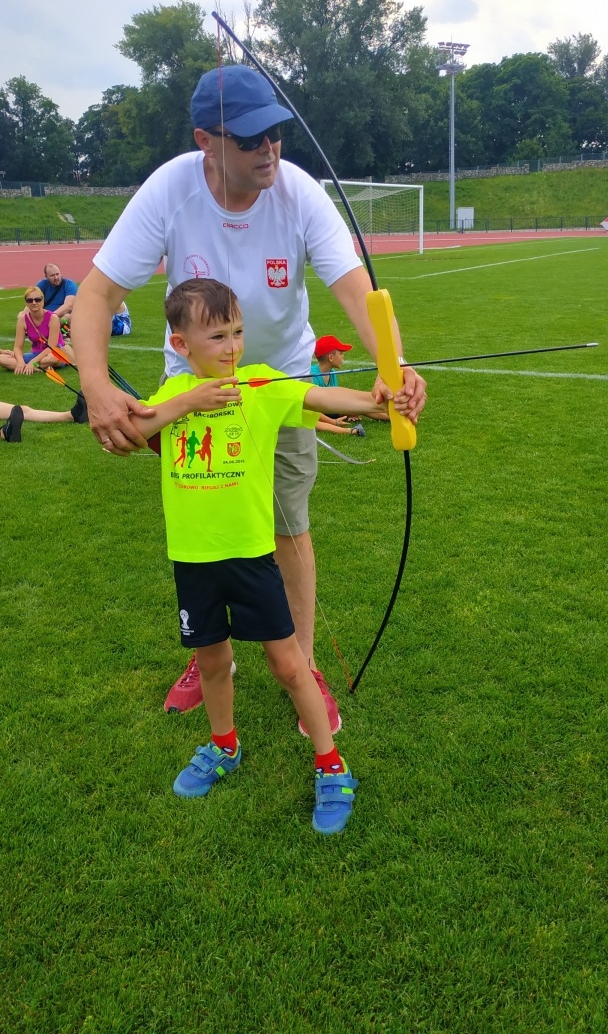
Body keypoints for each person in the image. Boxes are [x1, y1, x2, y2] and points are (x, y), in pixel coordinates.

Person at [70, 63, 427, 729]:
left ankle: (304, 660)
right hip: (197, 390)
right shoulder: (170, 190)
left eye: (277, 137)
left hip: (281, 385)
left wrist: (390, 364)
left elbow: (354, 286)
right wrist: (96, 385)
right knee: (205, 525)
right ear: (207, 141)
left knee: (286, 523)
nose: (270, 151)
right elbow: (97, 294)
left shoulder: (299, 194)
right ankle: (212, 656)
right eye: (252, 140)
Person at [124, 279, 388, 832]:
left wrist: (375, 398)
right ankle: (224, 747)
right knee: (214, 661)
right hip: (194, 560)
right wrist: (188, 401)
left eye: (237, 332)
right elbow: (127, 430)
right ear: (180, 344)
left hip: (250, 557)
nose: (231, 347)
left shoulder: (261, 384)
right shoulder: (165, 401)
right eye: (217, 335)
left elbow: (318, 396)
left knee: (291, 665)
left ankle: (331, 766)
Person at [0, 288, 76, 375]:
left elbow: (51, 347)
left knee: (51, 358)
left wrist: (32, 362)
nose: (34, 303)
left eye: (37, 300)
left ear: (43, 301)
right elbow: (17, 347)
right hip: (36, 353)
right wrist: (20, 361)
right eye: (30, 300)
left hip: (54, 353)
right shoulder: (23, 320)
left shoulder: (52, 318)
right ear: (26, 303)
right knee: (1, 358)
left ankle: (32, 366)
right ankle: (39, 368)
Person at [310, 335, 365, 437]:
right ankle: (351, 431)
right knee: (312, 422)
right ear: (331, 357)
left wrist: (350, 410)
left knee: (360, 405)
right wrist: (333, 421)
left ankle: (393, 416)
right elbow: (313, 410)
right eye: (341, 353)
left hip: (328, 409)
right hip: (317, 414)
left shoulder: (332, 372)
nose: (343, 356)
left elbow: (334, 399)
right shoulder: (312, 376)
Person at [37, 263, 78, 330]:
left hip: (60, 315)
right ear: (46, 276)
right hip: (45, 316)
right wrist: (24, 316)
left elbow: (69, 306)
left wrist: (51, 317)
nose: (56, 278)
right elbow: (32, 301)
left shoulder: (69, 284)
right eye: (52, 275)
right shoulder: (42, 284)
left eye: (57, 274)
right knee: (21, 315)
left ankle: (50, 329)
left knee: (67, 317)